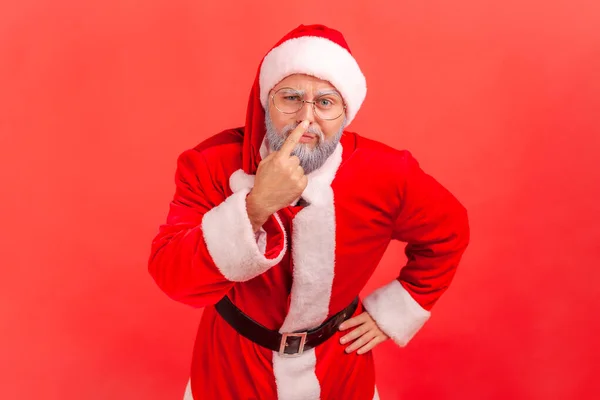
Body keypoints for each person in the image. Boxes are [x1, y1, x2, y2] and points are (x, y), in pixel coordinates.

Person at [148, 24, 470, 400]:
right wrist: (256, 206)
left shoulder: (387, 173)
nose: (306, 119)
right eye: (291, 98)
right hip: (231, 365)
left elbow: (450, 229)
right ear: (267, 100)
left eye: (325, 103)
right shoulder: (210, 164)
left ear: (345, 112)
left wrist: (398, 309)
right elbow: (173, 277)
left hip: (339, 364)